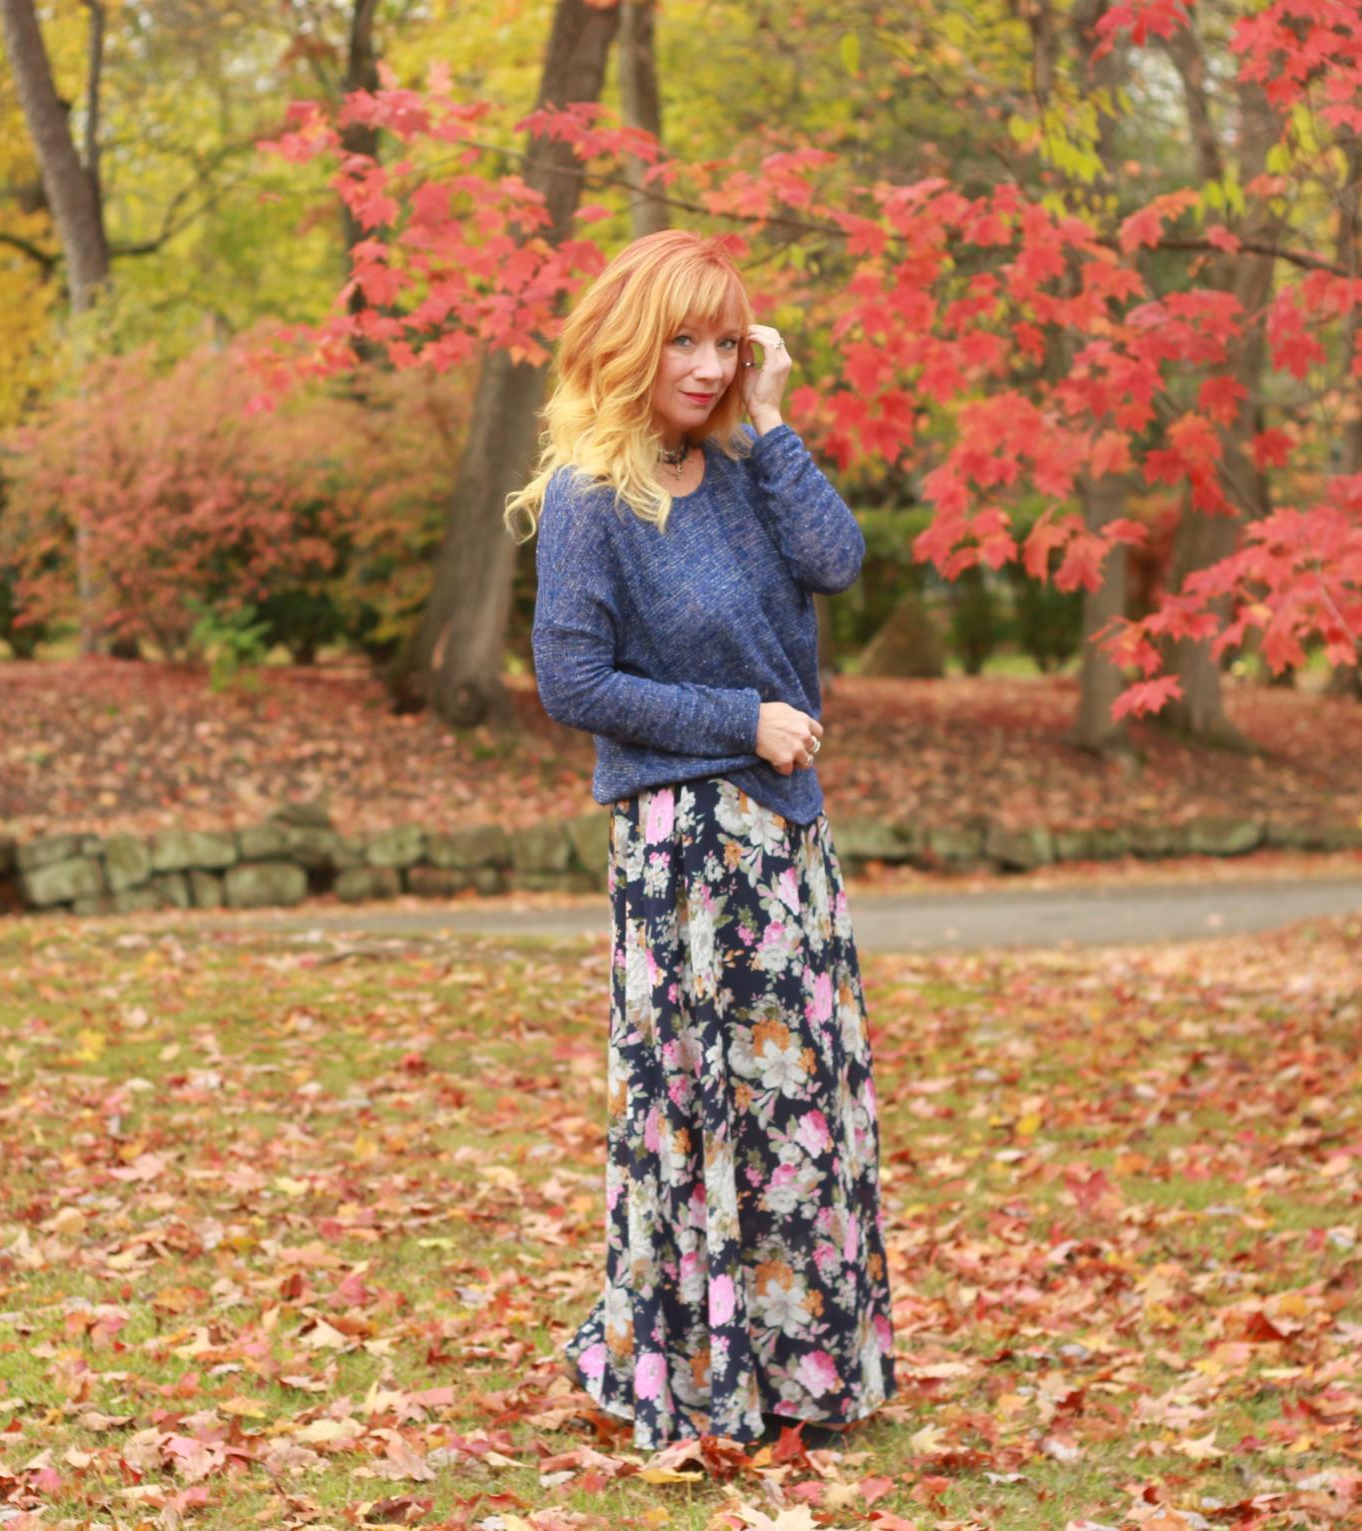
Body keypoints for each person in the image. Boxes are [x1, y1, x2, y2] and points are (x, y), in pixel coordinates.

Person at [504, 228, 897, 1451]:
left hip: (785, 839)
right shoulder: (588, 496)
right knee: (704, 1108)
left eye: (726, 342)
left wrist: (772, 420)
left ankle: (809, 1377)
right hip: (681, 847)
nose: (707, 363)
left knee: (804, 1107)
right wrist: (741, 720)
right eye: (685, 339)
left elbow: (839, 558)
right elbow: (571, 678)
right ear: (632, 340)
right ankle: (701, 1369)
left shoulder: (742, 471)